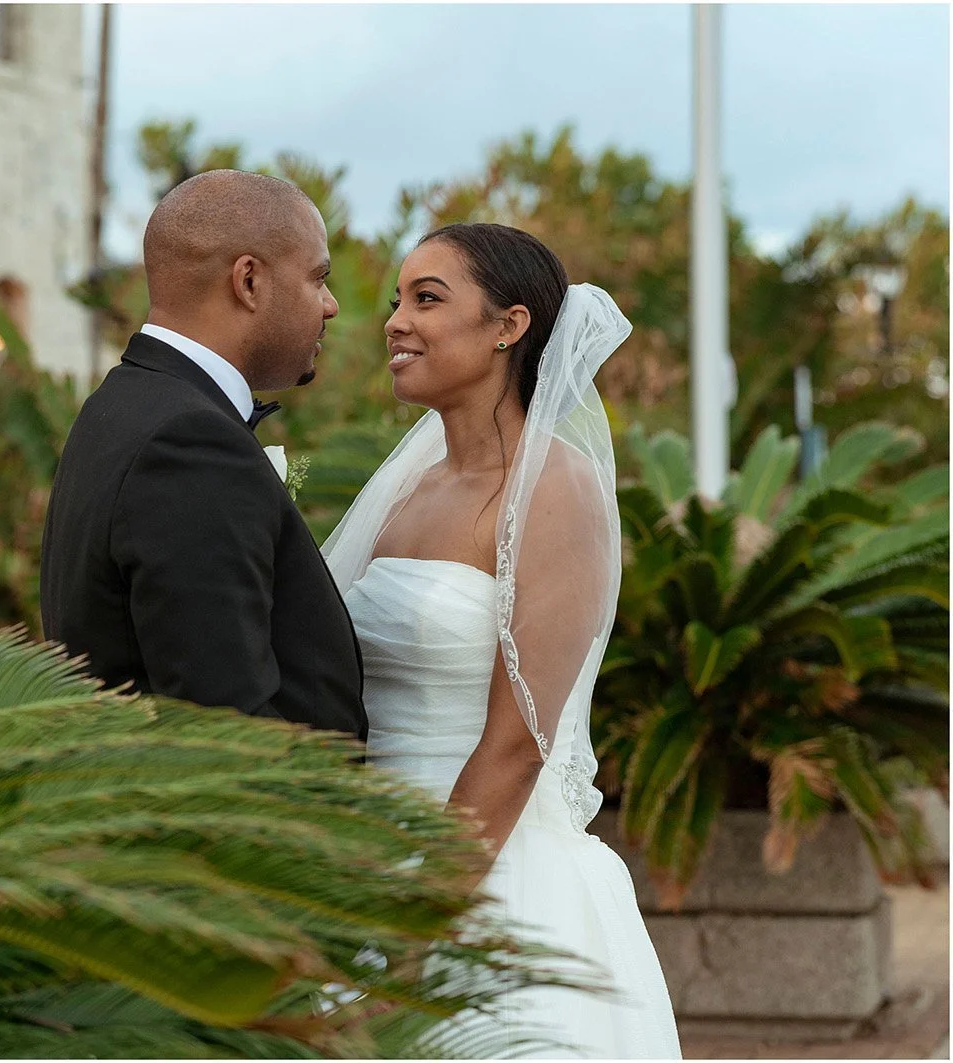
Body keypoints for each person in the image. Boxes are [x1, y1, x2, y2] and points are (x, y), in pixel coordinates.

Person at [325, 223, 681, 1057]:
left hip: (492, 883)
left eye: (427, 298)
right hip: (364, 871)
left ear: (508, 326)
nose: (395, 321)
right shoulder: (407, 490)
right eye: (397, 300)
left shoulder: (556, 487)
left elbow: (519, 744)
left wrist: (408, 949)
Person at [39, 168, 366, 737]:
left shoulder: (120, 403)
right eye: (318, 278)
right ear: (249, 282)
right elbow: (226, 725)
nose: (331, 305)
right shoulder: (189, 442)